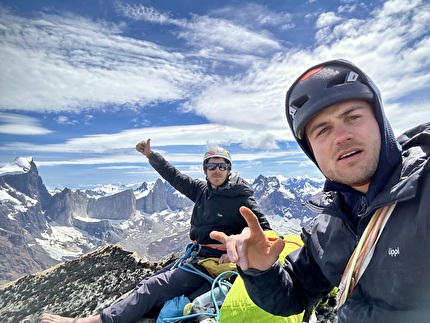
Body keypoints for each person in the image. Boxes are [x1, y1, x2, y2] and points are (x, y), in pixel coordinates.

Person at [210, 59, 430, 323]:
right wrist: (261, 270)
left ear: (381, 122)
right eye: (323, 130)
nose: (341, 136)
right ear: (311, 151)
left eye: (353, 117)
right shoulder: (328, 227)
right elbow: (294, 295)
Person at [42, 142, 271, 323]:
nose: (216, 170)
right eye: (211, 166)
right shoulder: (203, 190)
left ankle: (98, 320)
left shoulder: (240, 197)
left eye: (222, 166)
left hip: (212, 264)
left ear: (229, 169)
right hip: (197, 256)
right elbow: (175, 177)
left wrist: (238, 254)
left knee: (153, 287)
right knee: (148, 281)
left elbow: (266, 232)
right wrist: (151, 155)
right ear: (205, 170)